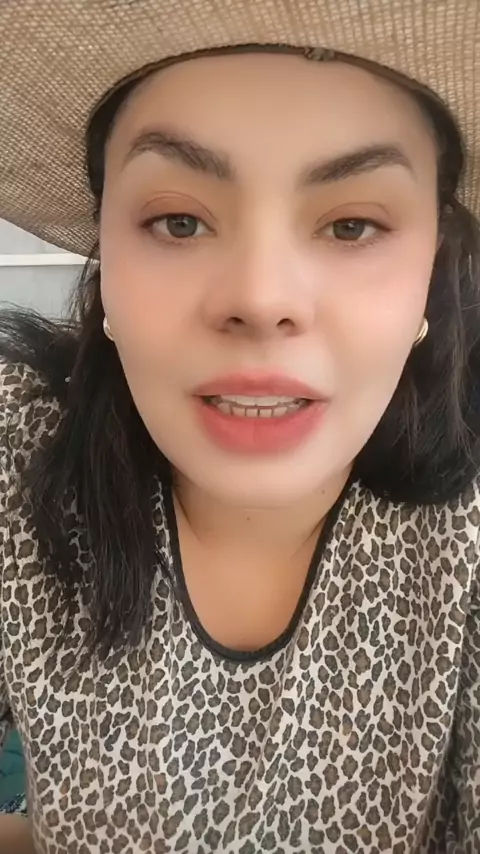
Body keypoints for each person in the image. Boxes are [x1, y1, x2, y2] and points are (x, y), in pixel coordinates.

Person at [0, 1, 480, 852]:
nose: (261, 299)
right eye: (178, 222)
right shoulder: (16, 455)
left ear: (431, 271)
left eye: (353, 225)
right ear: (106, 258)